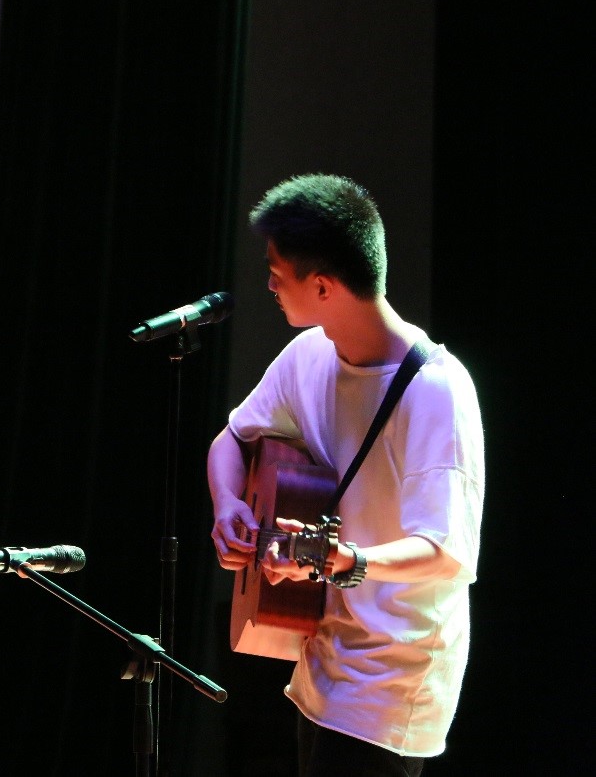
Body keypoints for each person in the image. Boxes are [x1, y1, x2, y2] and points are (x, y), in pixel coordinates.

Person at [207, 174, 484, 776]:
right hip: (320, 663)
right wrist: (228, 504)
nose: (269, 284)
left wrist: (345, 559)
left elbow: (445, 552)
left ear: (323, 286)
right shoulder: (309, 354)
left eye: (277, 271)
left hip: (392, 683)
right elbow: (233, 437)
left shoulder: (437, 391)